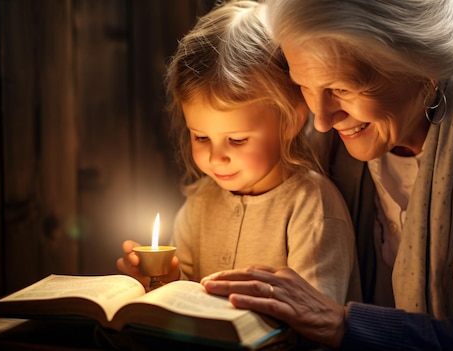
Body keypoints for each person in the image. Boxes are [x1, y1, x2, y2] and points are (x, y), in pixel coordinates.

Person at [200, 0, 453, 349]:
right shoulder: (329, 139)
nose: (320, 121)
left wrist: (343, 324)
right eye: (304, 85)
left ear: (423, 69)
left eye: (341, 88)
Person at [116, 0, 361, 305]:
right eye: (201, 137)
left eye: (237, 140)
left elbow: (316, 316)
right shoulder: (199, 205)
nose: (217, 157)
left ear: (290, 120)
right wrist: (162, 282)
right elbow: (183, 295)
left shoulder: (311, 207)